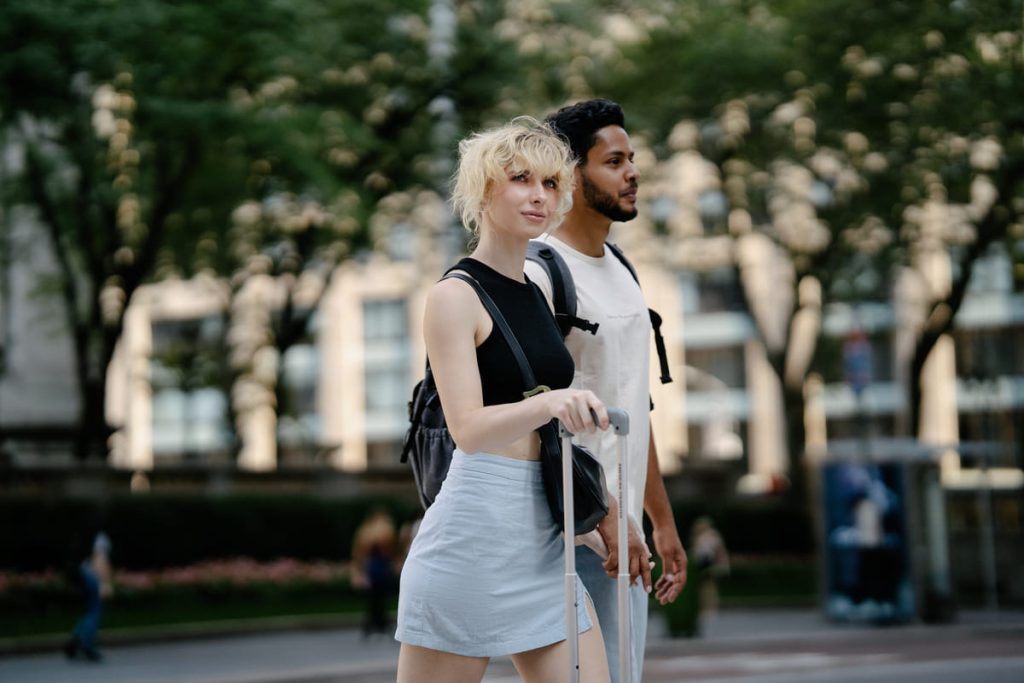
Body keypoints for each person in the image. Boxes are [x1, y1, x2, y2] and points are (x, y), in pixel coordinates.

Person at [395, 118, 617, 683]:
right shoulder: (454, 296)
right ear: (483, 190)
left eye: (549, 183)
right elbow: (468, 428)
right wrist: (552, 403)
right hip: (473, 539)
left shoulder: (537, 295)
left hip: (542, 541)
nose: (538, 195)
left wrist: (602, 517)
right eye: (520, 179)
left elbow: (544, 436)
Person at [524, 98, 688, 682]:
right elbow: (531, 417)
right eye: (613, 161)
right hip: (569, 537)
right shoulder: (539, 274)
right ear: (571, 175)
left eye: (632, 159)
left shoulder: (622, 268)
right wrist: (610, 517)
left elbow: (632, 412)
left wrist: (661, 523)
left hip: (627, 541)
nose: (632, 172)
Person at [63, 529, 113, 662]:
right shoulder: (100, 538)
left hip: (82, 573)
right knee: (95, 611)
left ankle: (76, 638)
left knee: (90, 610)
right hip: (92, 576)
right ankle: (87, 645)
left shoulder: (87, 535)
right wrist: (104, 583)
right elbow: (100, 560)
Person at [351, 508, 399, 638]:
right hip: (381, 568)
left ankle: (375, 624)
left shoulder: (365, 531)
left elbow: (359, 553)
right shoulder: (384, 530)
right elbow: (389, 550)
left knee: (374, 599)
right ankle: (379, 624)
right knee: (381, 598)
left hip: (373, 567)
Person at [690, 516, 729, 633]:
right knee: (705, 588)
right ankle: (707, 608)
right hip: (704, 565)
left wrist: (722, 565)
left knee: (709, 587)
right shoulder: (700, 537)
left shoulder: (711, 536)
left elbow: (718, 552)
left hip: (709, 565)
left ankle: (711, 609)